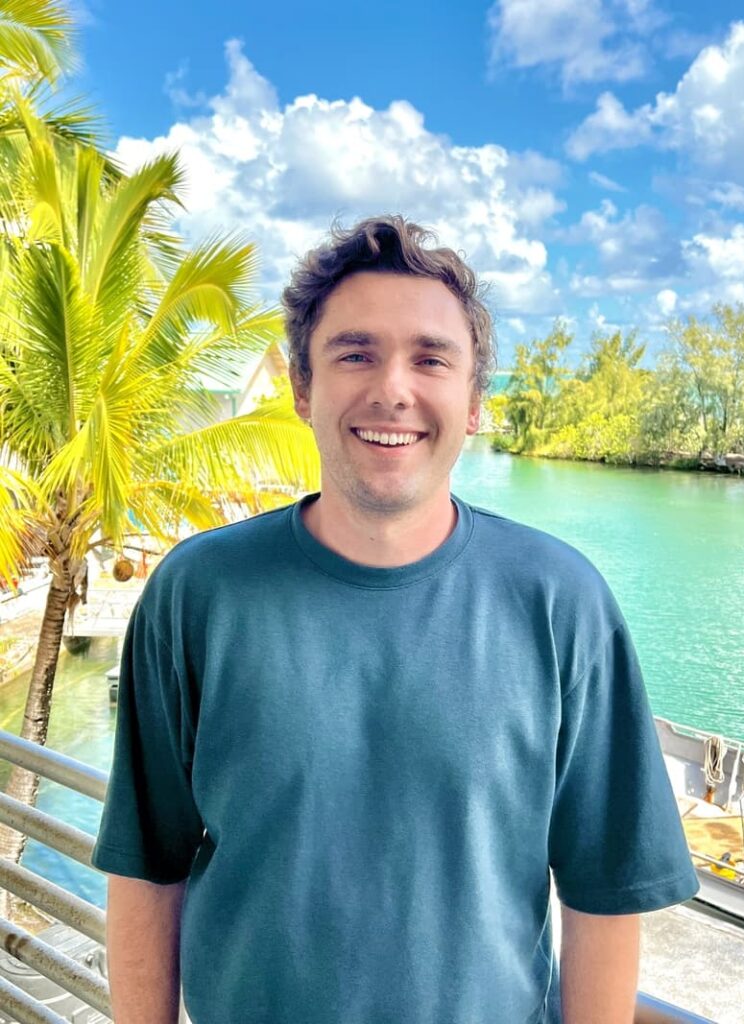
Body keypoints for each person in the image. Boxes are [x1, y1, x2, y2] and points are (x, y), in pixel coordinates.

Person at [92, 215, 699, 1024]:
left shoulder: (562, 603)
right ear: (302, 388)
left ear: (474, 402)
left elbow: (604, 892)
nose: (393, 389)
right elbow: (147, 865)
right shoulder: (199, 593)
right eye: (355, 354)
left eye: (431, 358)